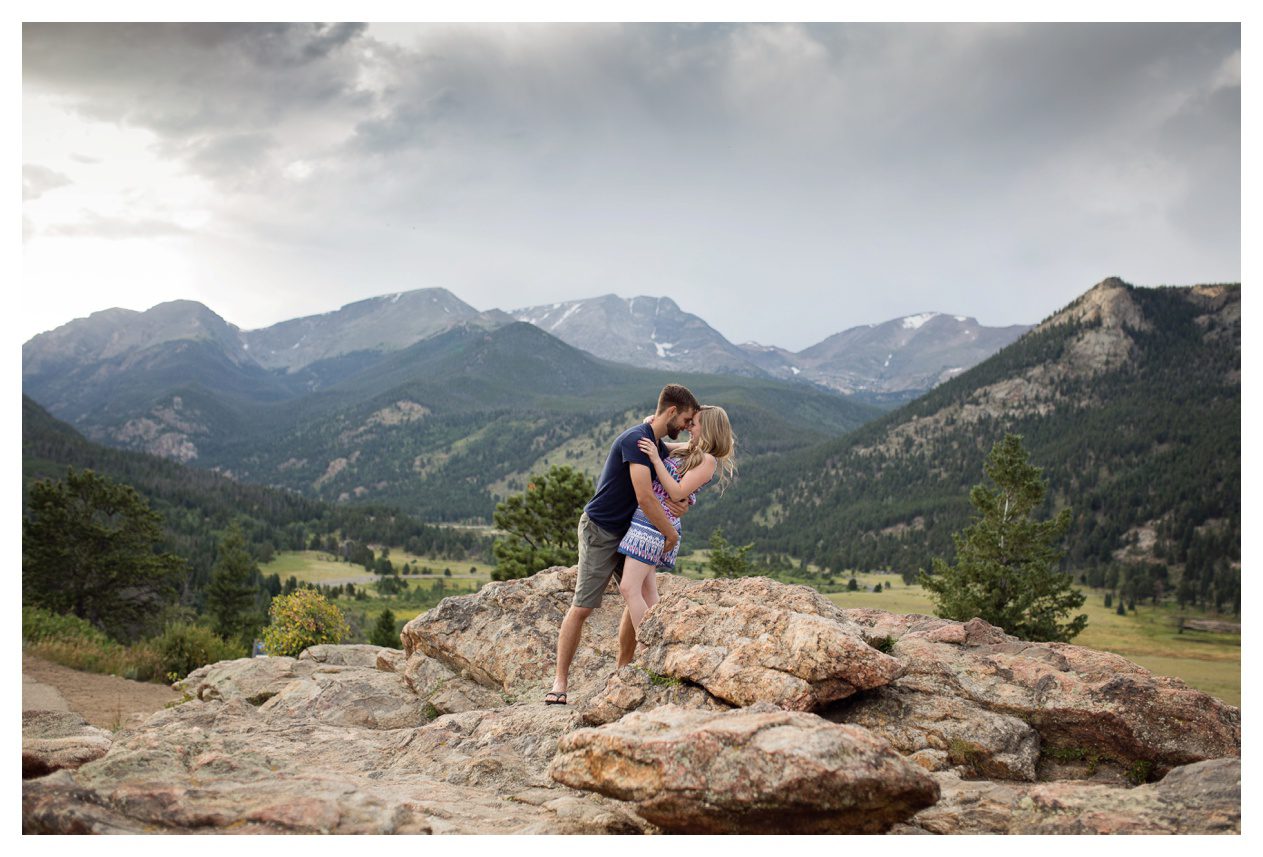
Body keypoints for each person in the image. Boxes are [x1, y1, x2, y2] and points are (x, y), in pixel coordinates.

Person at [545, 384, 700, 705]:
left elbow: (676, 465)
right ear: (671, 411)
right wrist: (670, 534)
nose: (686, 426)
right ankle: (560, 682)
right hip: (602, 529)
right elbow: (645, 495)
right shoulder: (636, 440)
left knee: (636, 594)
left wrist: (682, 501)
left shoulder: (655, 443)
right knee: (583, 606)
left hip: (632, 530)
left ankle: (623, 670)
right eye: (685, 419)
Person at [621, 405, 736, 631]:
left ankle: (646, 643)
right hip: (647, 519)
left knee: (628, 588)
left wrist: (656, 461)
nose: (689, 428)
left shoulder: (708, 460)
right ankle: (659, 638)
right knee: (647, 590)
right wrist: (650, 424)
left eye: (694, 424)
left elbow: (677, 492)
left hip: (654, 526)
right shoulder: (691, 449)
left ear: (708, 428)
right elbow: (659, 446)